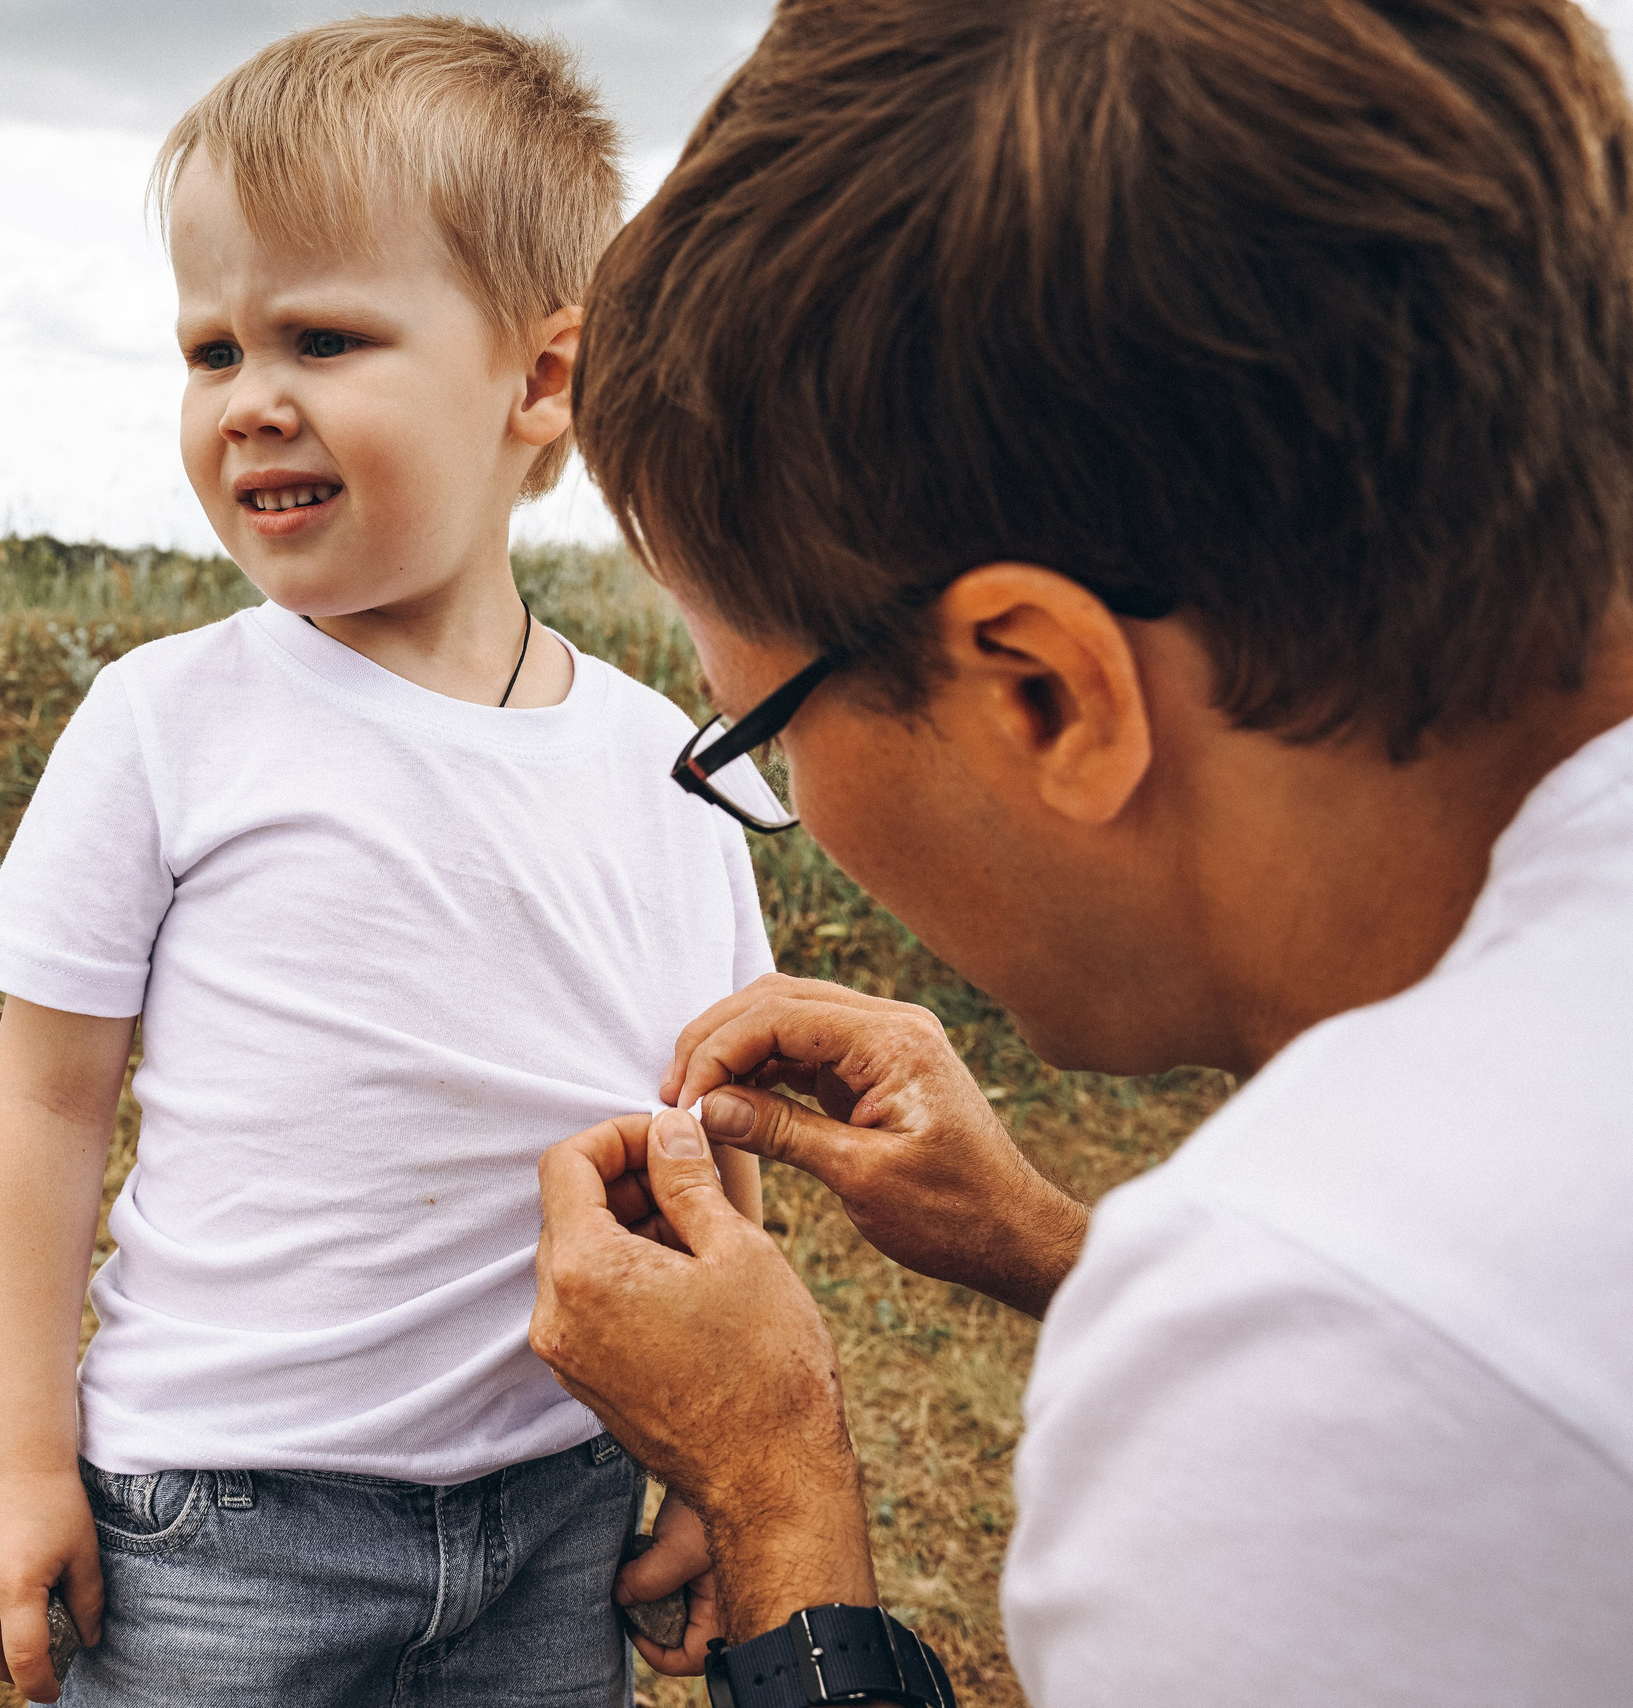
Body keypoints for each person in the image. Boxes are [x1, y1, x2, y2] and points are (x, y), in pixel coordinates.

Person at [527, 0, 1633, 1703]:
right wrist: (1057, 1247)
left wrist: (776, 1484)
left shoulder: (1328, 1376)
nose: (786, 802)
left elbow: (1417, 1345)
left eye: (760, 737)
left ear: (1041, 688)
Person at [0, 18, 777, 1704]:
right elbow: (45, 1102)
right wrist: (21, 1461)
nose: (250, 401)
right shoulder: (169, 720)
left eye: (322, 335)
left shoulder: (661, 764)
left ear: (541, 381)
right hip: (219, 1523)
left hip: (558, 1507)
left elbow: (709, 1132)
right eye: (207, 350)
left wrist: (717, 1458)